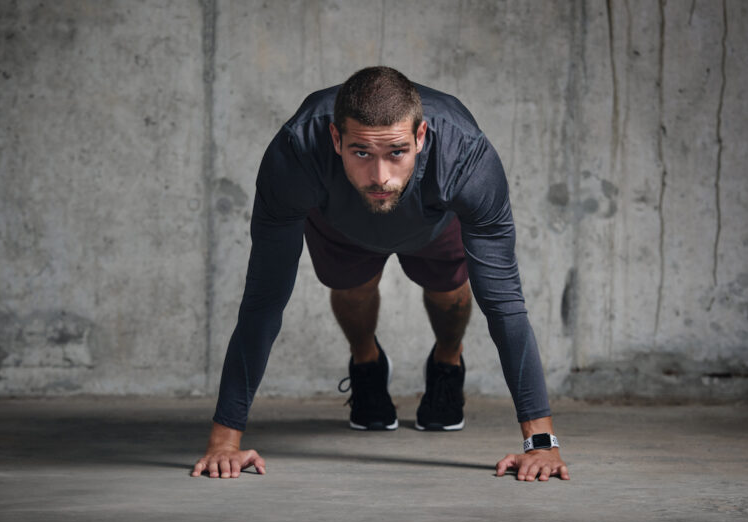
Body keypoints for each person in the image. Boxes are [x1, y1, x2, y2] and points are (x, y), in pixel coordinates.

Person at [192, 66, 569, 482]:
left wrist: (541, 444)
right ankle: (367, 363)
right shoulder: (296, 153)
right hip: (339, 221)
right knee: (352, 291)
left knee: (450, 294)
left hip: (434, 222)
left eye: (396, 152)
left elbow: (505, 305)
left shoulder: (466, 157)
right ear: (335, 139)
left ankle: (447, 362)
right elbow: (264, 299)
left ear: (420, 137)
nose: (380, 177)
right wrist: (224, 443)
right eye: (361, 153)